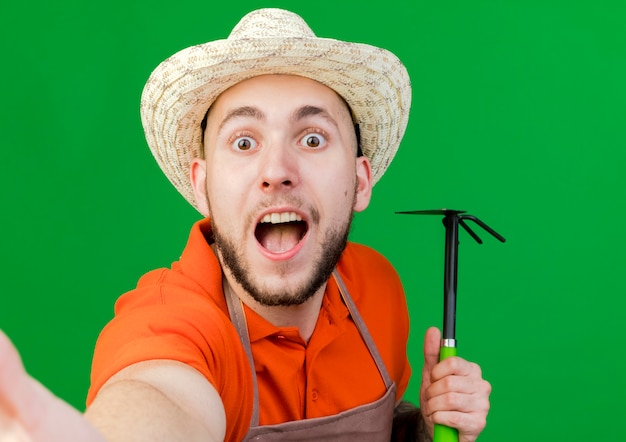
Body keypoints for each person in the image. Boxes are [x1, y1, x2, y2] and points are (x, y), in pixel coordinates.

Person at [0, 8, 490, 442]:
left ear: (360, 181)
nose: (276, 169)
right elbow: (160, 399)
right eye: (243, 142)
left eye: (313, 138)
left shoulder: (378, 290)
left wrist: (426, 429)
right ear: (203, 185)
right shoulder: (174, 325)